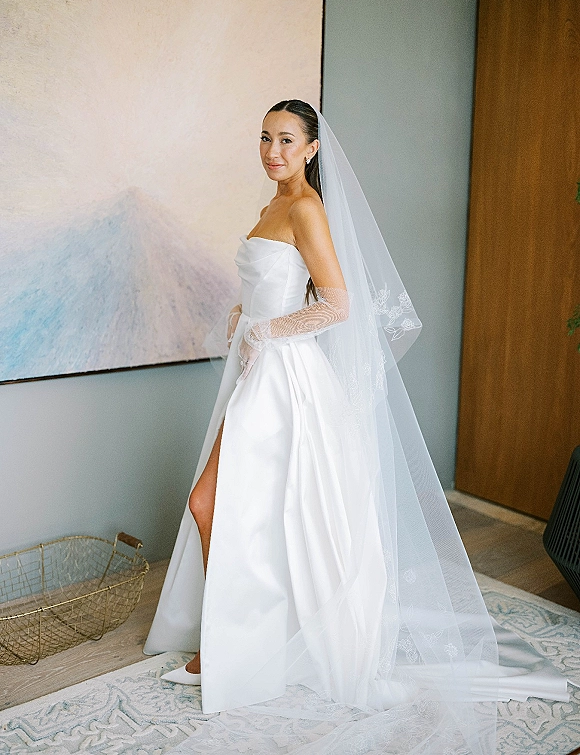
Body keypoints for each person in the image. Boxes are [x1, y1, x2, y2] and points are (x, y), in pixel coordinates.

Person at [144, 101, 568, 755]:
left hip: (286, 383)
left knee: (225, 506)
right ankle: (230, 641)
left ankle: (228, 647)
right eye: (264, 137)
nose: (272, 149)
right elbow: (281, 289)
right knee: (232, 507)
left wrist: (264, 327)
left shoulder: (307, 208)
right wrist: (244, 311)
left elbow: (338, 304)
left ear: (312, 149)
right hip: (259, 373)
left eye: (286, 140)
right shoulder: (271, 206)